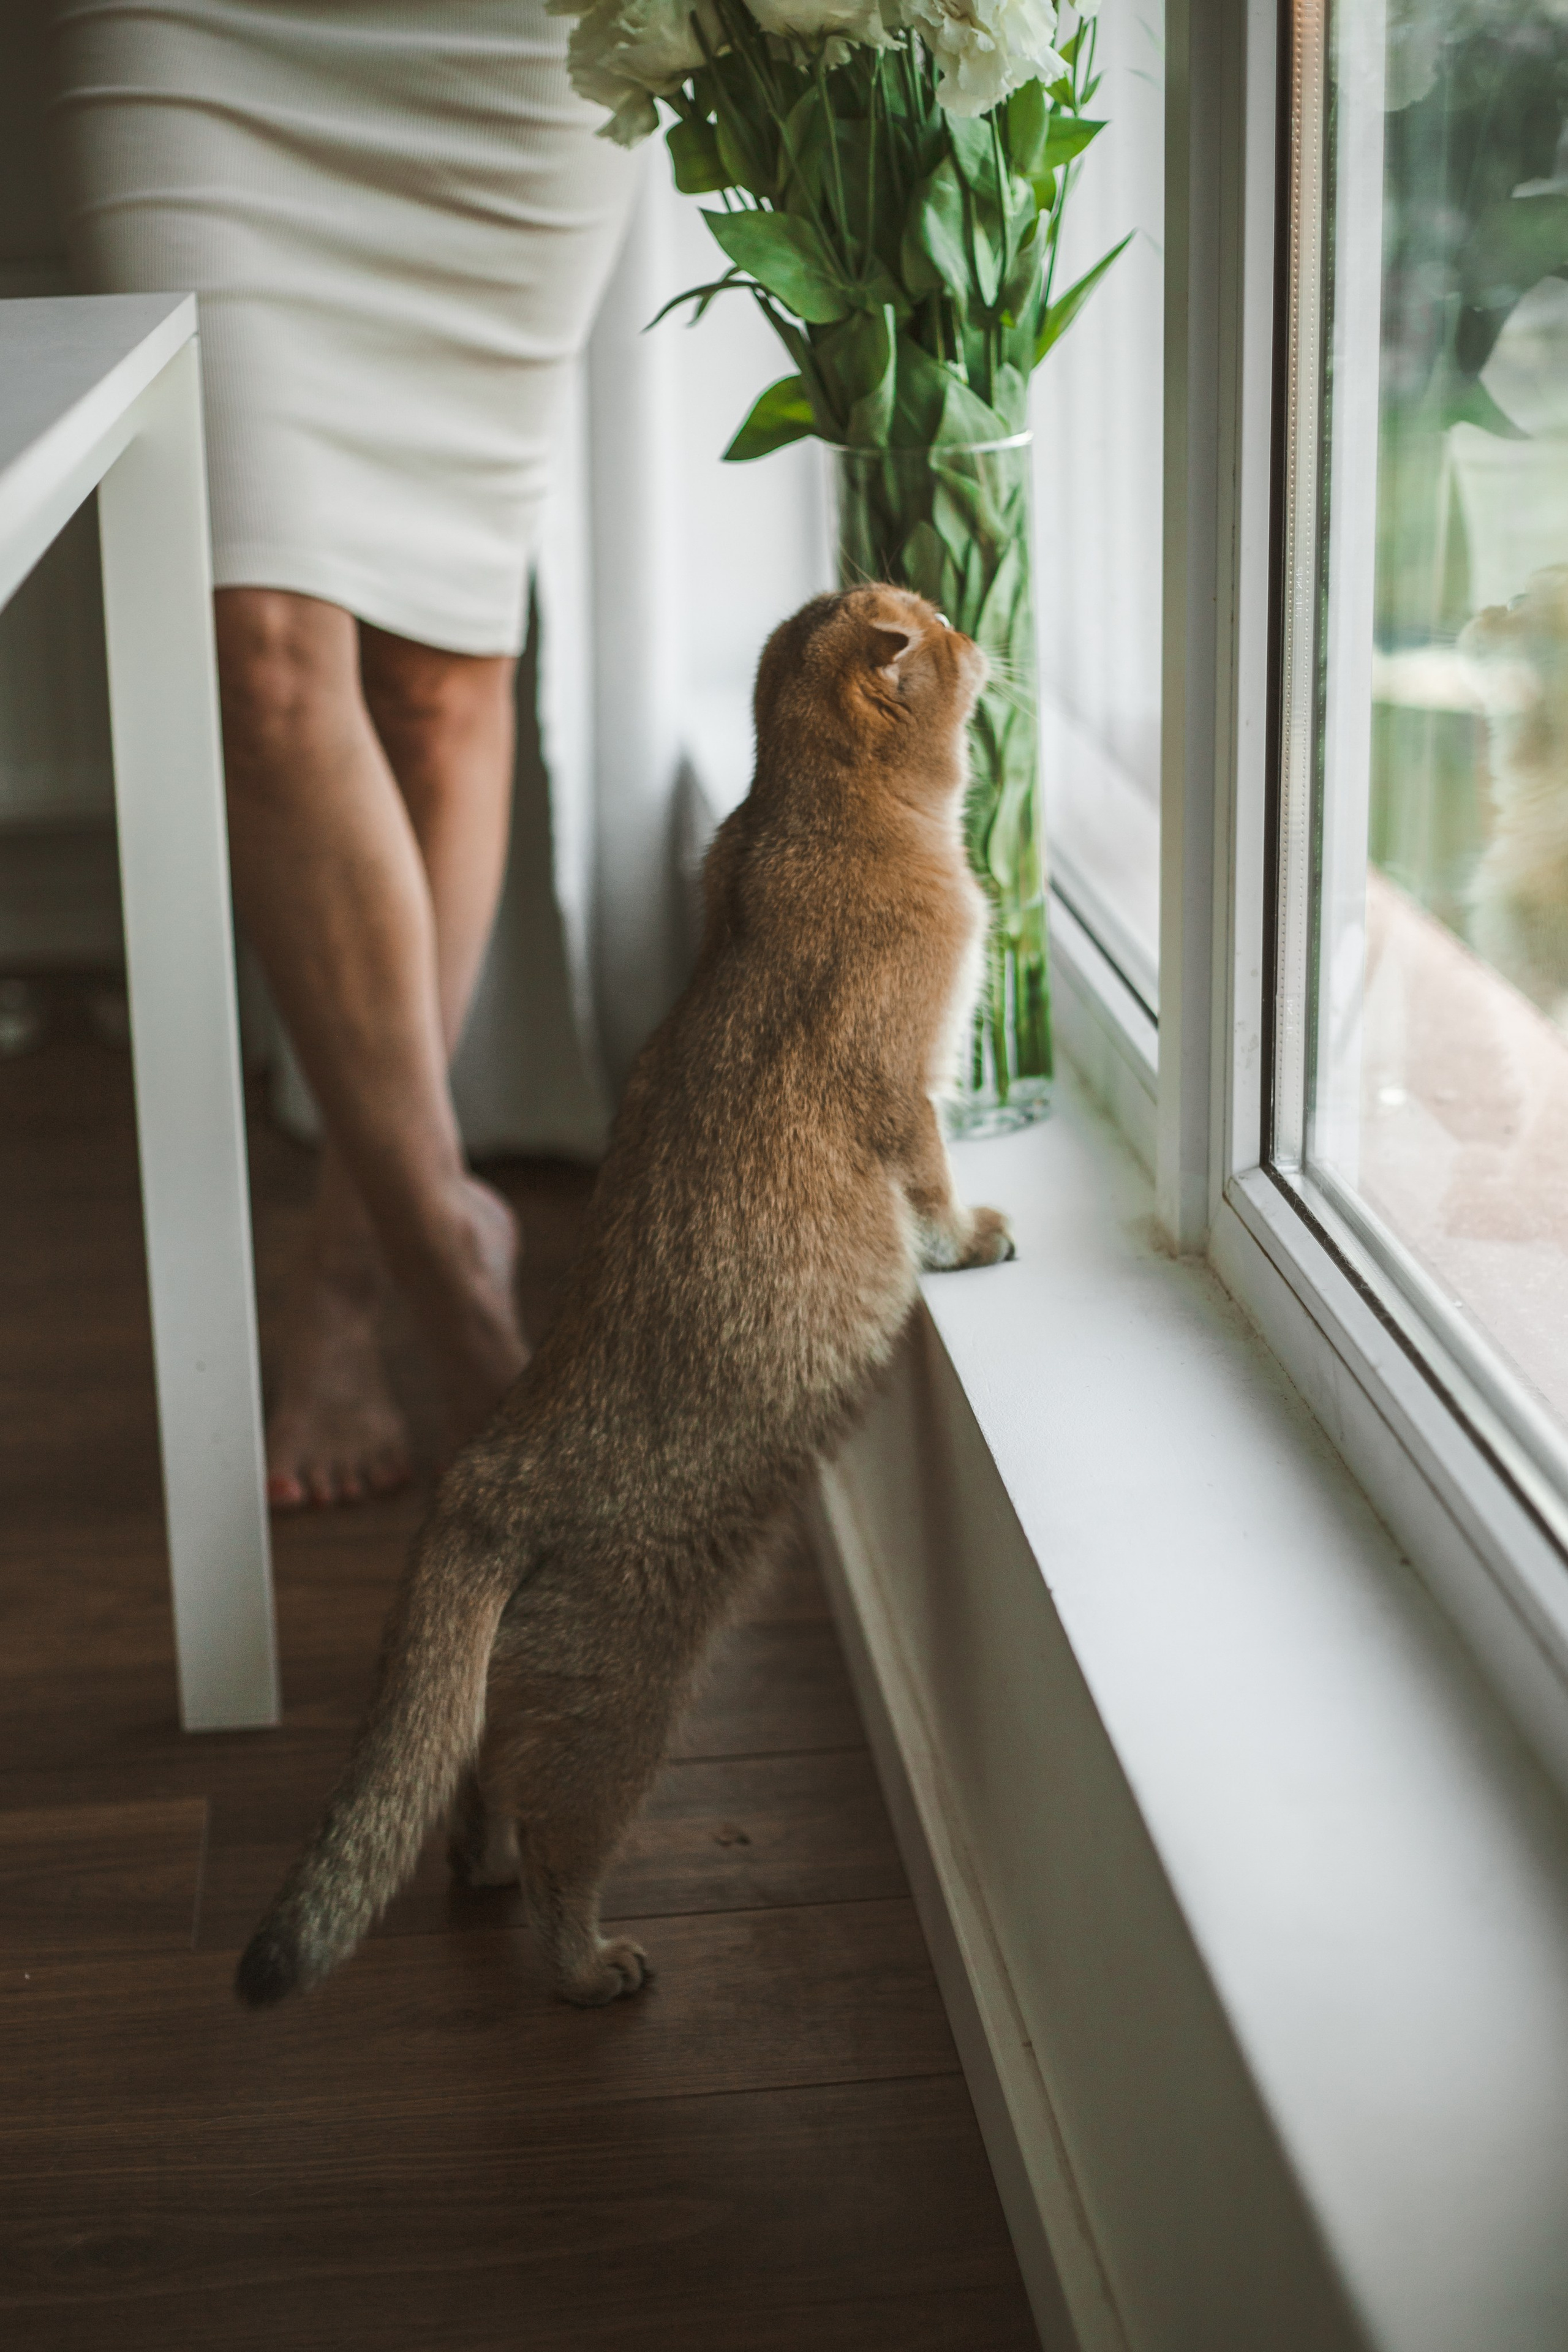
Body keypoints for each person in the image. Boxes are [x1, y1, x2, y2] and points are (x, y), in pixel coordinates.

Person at [51, 0, 636, 1506]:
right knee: (259, 663)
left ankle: (344, 1266)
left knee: (444, 674)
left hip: (504, 49)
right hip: (191, 32)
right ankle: (449, 1264)